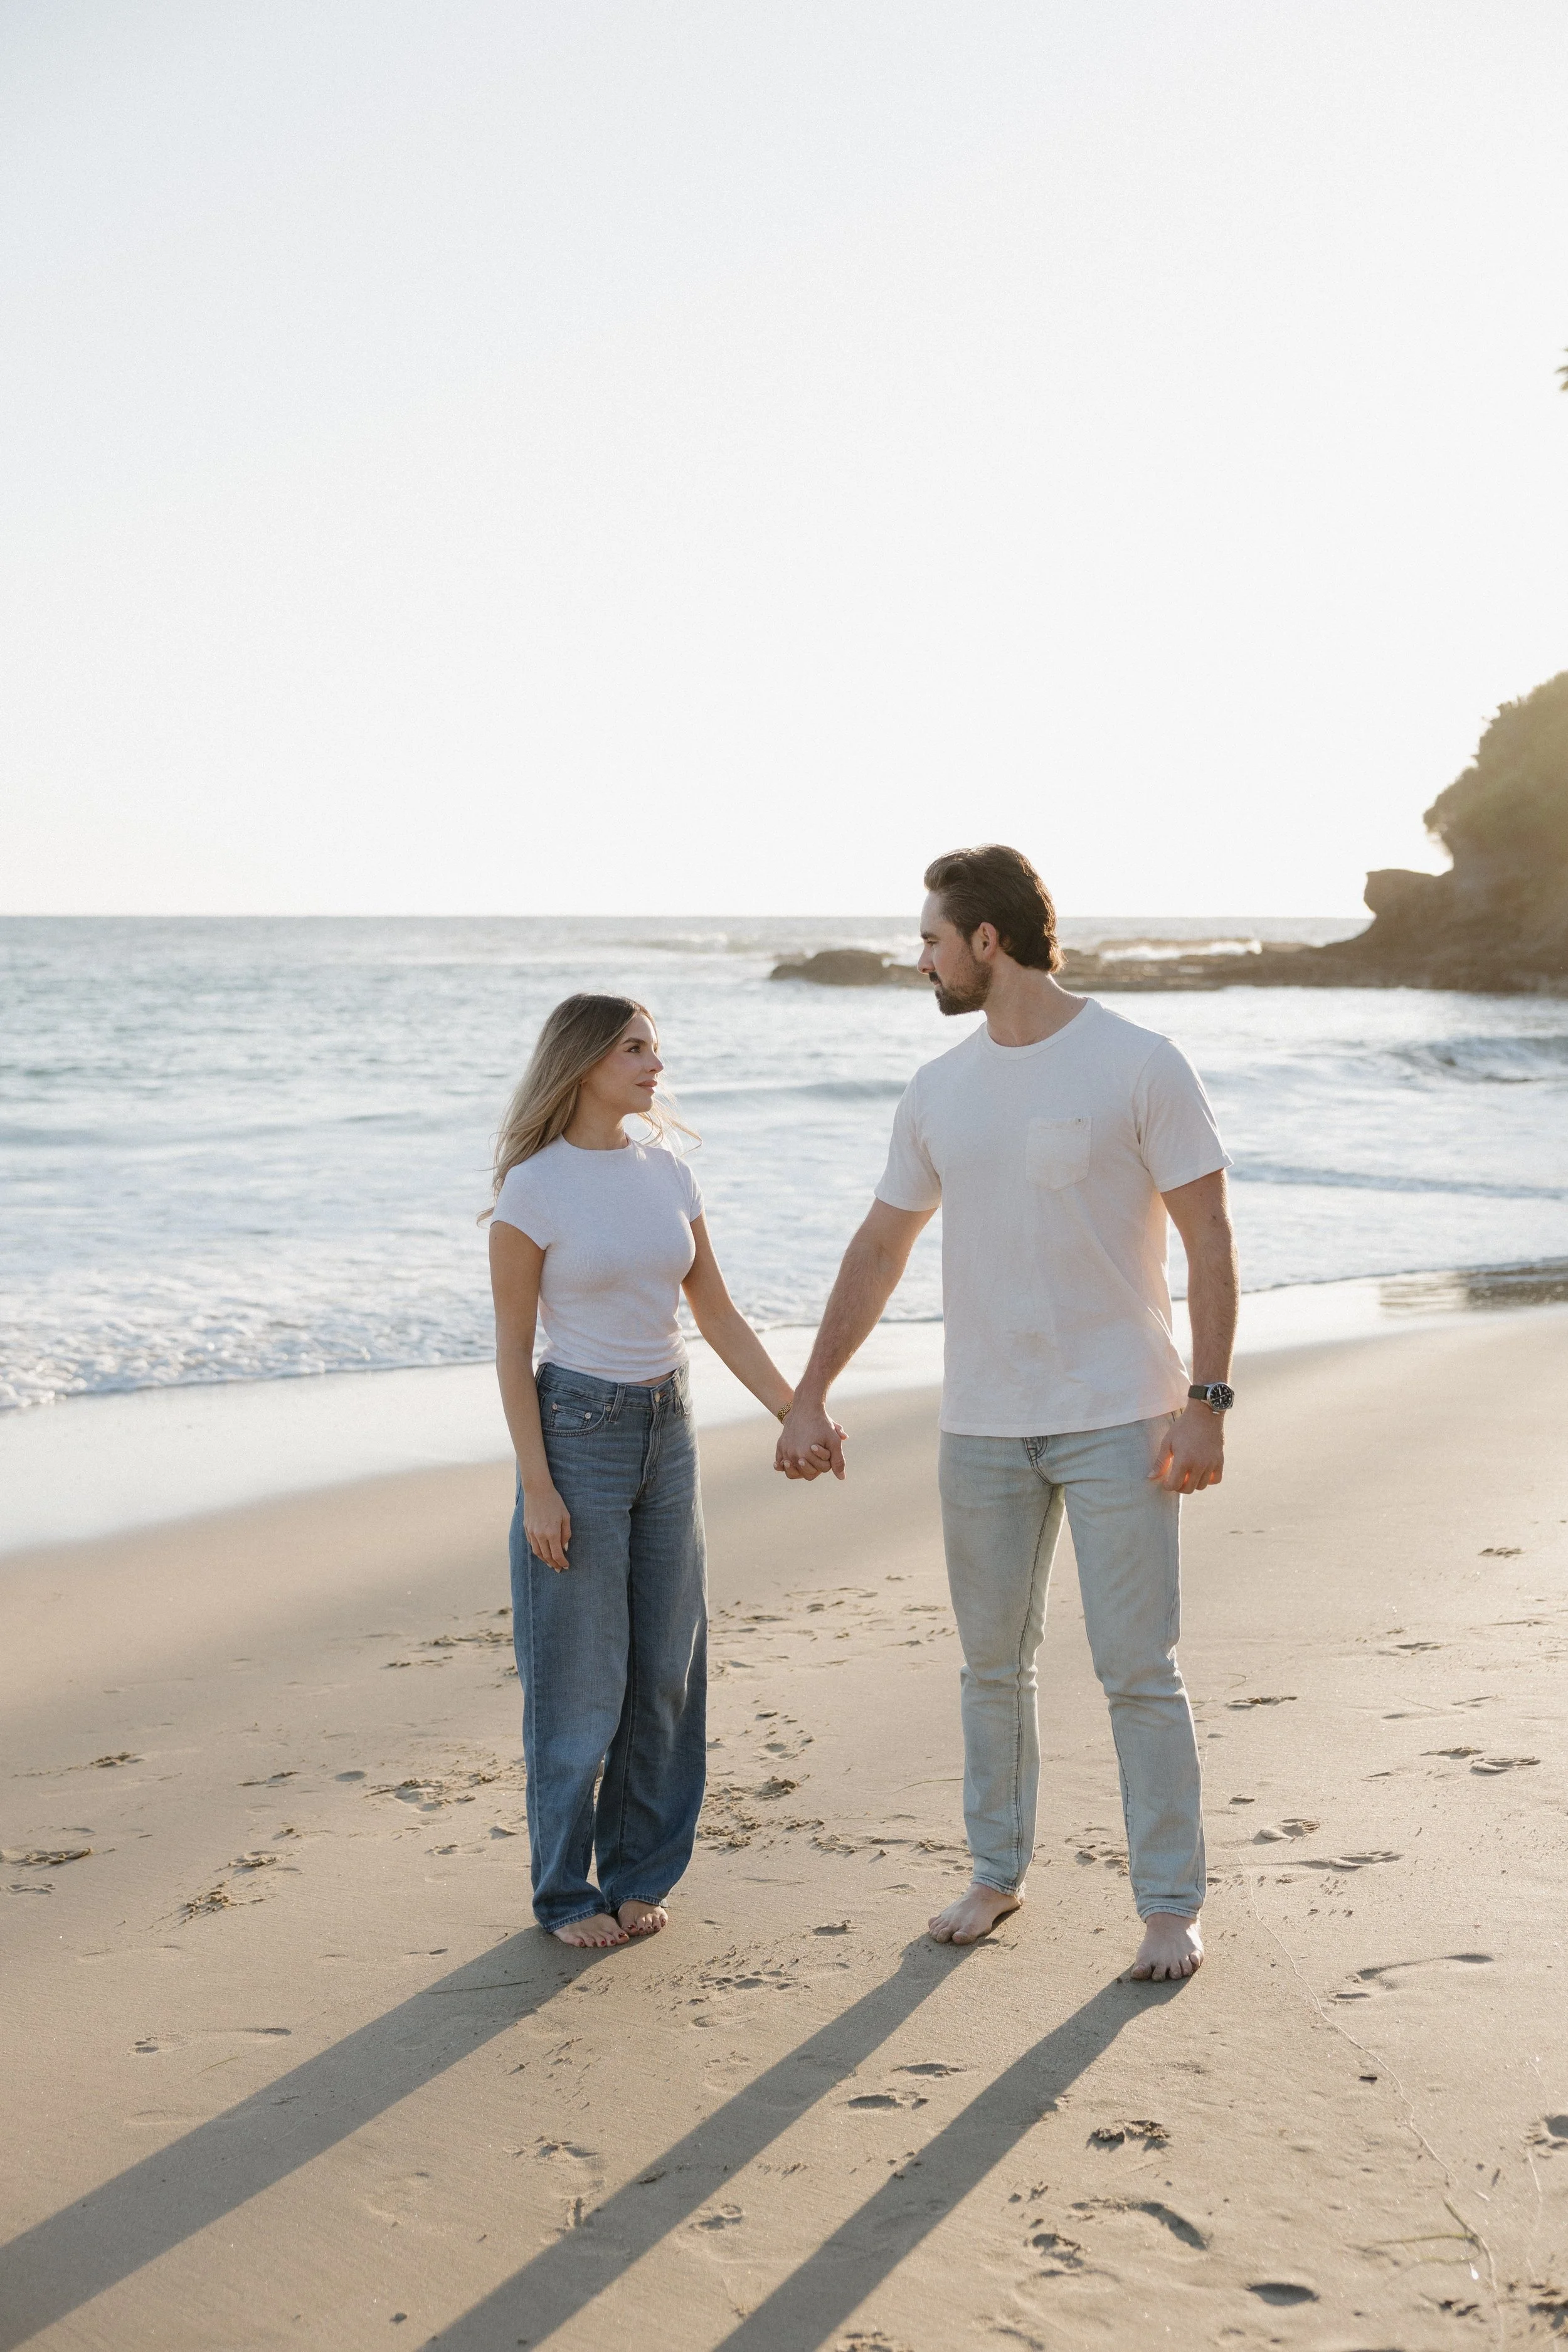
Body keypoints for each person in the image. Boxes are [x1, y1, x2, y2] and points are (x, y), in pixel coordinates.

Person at [776, 845, 1237, 1982]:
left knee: (1138, 1668)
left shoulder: (1139, 1061)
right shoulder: (939, 1087)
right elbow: (882, 1244)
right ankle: (996, 1873)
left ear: (988, 941)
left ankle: (1171, 1904)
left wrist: (1208, 1399)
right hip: (981, 1421)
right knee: (992, 1665)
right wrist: (810, 1390)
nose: (918, 958)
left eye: (931, 937)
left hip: (1123, 1412)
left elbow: (1210, 1241)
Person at [488, 993, 826, 1949]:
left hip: (667, 1428)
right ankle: (565, 1893)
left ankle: (638, 1873)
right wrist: (537, 1484)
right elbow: (513, 1351)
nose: (653, 1065)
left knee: (667, 1668)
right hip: (576, 1432)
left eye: (655, 1048)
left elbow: (713, 1313)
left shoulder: (668, 1171)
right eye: (635, 1048)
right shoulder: (534, 1188)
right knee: (579, 1681)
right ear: (585, 1060)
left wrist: (795, 1407)